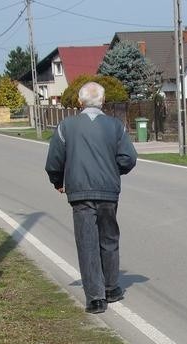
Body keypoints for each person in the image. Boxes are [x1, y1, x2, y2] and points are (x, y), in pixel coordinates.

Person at [44, 82, 138, 314]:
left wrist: (57, 181)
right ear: (103, 101)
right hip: (108, 191)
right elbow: (129, 158)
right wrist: (112, 170)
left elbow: (54, 160)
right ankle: (111, 287)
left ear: (79, 102)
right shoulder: (116, 127)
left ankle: (96, 298)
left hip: (80, 192)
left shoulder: (66, 127)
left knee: (87, 242)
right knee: (109, 238)